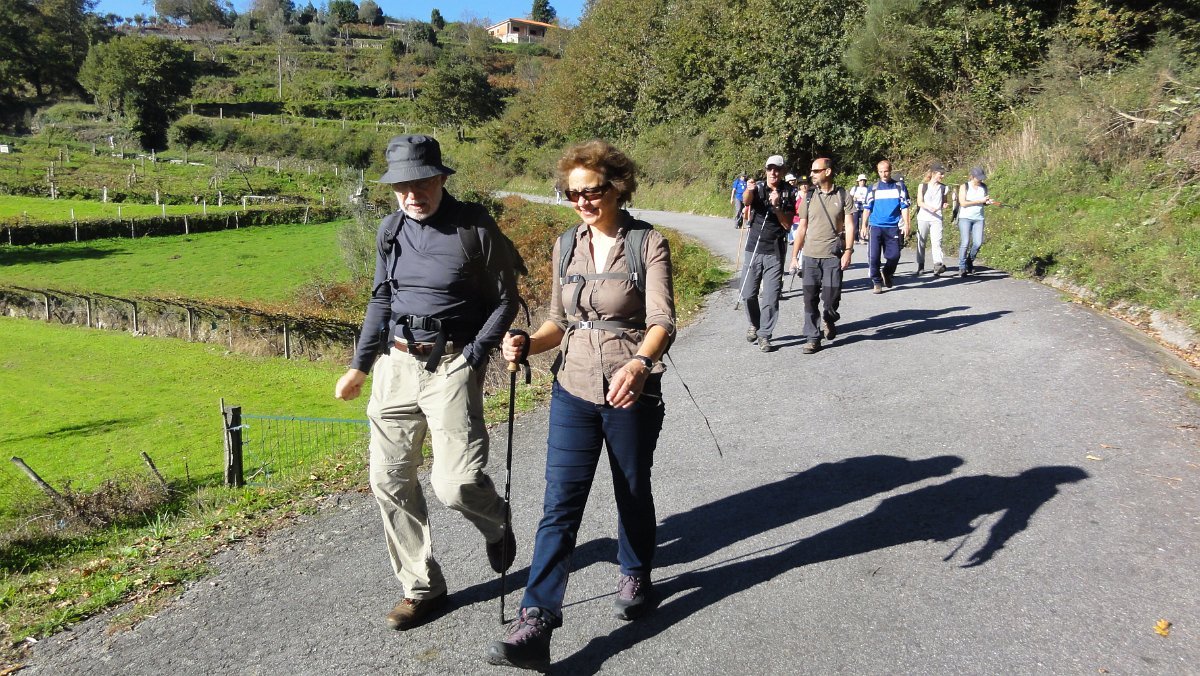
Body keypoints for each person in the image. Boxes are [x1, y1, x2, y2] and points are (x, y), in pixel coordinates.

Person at [487, 139, 675, 671]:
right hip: (572, 387)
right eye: (572, 194)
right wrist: (526, 342)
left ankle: (635, 570)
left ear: (616, 187)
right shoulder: (566, 244)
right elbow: (558, 322)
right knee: (560, 504)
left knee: (631, 488)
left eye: (591, 192)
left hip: (629, 388)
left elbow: (662, 320)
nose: (582, 203)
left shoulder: (647, 243)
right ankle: (536, 619)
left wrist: (640, 364)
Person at [333, 135, 519, 632]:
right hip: (395, 365)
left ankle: (496, 521)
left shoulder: (474, 227)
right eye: (402, 186)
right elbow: (381, 299)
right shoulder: (390, 230)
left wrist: (474, 357)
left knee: (454, 484)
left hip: (453, 362)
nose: (412, 194)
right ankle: (422, 588)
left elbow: (506, 300)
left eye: (421, 183)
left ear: (440, 178)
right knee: (388, 480)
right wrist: (360, 365)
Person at [788, 158, 854, 353]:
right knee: (809, 300)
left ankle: (828, 317)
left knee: (832, 298)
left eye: (816, 171)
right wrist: (794, 256)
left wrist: (848, 251)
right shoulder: (808, 196)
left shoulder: (843, 195)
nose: (812, 174)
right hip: (810, 256)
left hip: (832, 256)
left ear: (828, 171)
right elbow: (801, 228)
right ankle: (812, 337)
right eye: (812, 171)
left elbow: (850, 225)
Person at [739, 154, 797, 352]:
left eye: (777, 169)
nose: (773, 172)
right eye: (770, 169)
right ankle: (755, 324)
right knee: (748, 293)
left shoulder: (789, 192)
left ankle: (764, 334)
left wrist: (777, 206)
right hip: (754, 248)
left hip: (775, 250)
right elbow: (747, 202)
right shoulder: (758, 188)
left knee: (771, 297)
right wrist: (749, 189)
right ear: (765, 171)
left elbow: (787, 225)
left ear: (782, 171)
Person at [861, 160, 911, 294]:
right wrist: (863, 226)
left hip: (893, 226)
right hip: (876, 226)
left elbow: (905, 207)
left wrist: (907, 224)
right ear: (878, 172)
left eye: (886, 171)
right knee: (873, 257)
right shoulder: (873, 188)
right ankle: (877, 282)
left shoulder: (899, 187)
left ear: (891, 171)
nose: (884, 174)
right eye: (881, 172)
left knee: (894, 256)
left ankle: (887, 272)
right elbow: (867, 208)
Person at [957, 166, 994, 277]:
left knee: (978, 243)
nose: (980, 180)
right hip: (965, 218)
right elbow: (963, 203)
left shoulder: (984, 187)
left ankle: (969, 261)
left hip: (979, 218)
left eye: (982, 178)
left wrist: (987, 202)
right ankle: (962, 266)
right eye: (978, 178)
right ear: (972, 177)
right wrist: (979, 201)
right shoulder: (964, 186)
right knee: (965, 242)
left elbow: (983, 202)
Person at [914, 163, 950, 277]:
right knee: (921, 242)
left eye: (943, 174)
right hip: (923, 217)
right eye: (941, 174)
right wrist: (929, 208)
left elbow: (944, 201)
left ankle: (937, 265)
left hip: (937, 218)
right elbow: (919, 202)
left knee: (937, 242)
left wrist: (944, 204)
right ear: (934, 173)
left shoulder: (944, 188)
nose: (942, 176)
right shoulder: (923, 186)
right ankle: (920, 265)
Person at [850, 173, 870, 243]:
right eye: (861, 180)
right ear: (858, 181)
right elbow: (850, 197)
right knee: (855, 223)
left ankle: (862, 238)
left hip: (864, 208)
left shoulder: (867, 189)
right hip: (856, 207)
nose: (862, 182)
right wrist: (854, 198)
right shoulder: (854, 188)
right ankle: (855, 238)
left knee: (864, 223)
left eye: (863, 180)